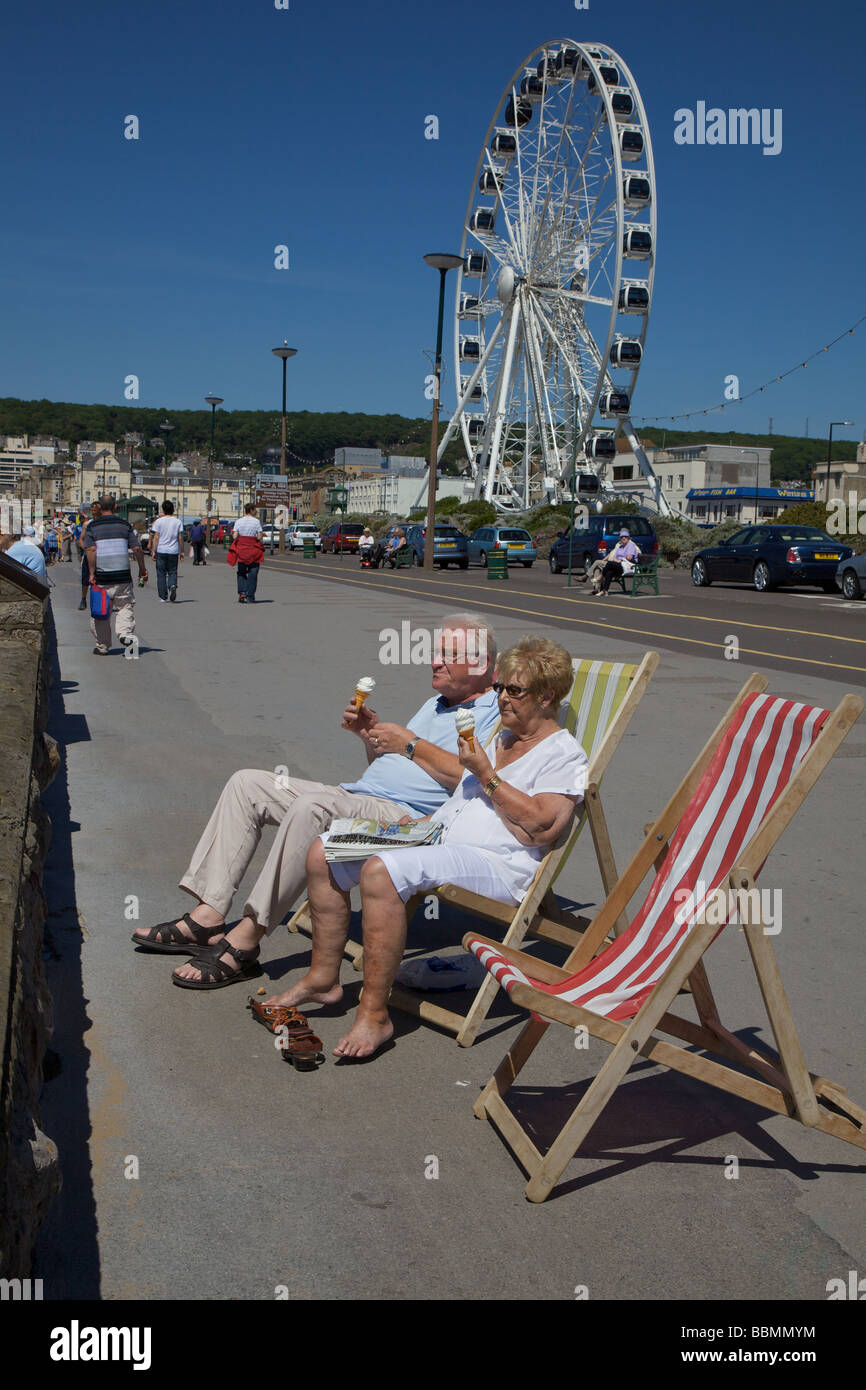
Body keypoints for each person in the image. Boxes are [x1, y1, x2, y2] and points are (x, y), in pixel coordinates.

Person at [132, 614, 500, 984]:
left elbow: (474, 779)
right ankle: (207, 917)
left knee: (311, 809)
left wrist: (408, 743)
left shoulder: (494, 715)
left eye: (447, 654)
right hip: (358, 795)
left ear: (481, 663)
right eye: (436, 652)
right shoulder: (436, 703)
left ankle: (247, 939)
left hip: (405, 819)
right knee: (247, 784)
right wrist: (369, 737)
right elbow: (396, 767)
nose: (434, 660)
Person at [268, 636, 587, 1058]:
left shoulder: (563, 754)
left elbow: (543, 828)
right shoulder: (501, 738)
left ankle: (375, 1015)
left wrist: (487, 775)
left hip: (498, 865)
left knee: (381, 871)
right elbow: (463, 800)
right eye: (499, 688)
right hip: (439, 836)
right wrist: (421, 824)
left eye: (515, 690)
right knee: (325, 851)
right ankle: (323, 979)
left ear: (547, 696)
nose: (502, 698)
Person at [85, 495, 148, 655]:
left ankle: (103, 646)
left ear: (99, 507)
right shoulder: (124, 524)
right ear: (115, 507)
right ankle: (125, 634)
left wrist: (91, 573)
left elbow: (91, 551)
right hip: (123, 576)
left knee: (101, 611)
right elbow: (137, 549)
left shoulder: (93, 526)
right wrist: (142, 569)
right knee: (125, 606)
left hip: (102, 576)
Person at [150, 500, 185, 602]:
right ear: (173, 510)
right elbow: (180, 538)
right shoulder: (177, 521)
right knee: (172, 571)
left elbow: (156, 537)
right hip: (173, 551)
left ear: (163, 510)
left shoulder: (158, 521)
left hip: (161, 550)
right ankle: (172, 585)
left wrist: (153, 551)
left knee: (161, 573)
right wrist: (182, 551)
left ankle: (163, 596)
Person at [230, 504, 264, 603]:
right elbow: (259, 537)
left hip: (242, 550)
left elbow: (235, 536)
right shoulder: (256, 521)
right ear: (252, 510)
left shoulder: (239, 521)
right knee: (253, 572)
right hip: (253, 550)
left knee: (241, 572)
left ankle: (242, 592)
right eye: (255, 510)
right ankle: (250, 596)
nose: (256, 511)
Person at [598, 528, 641, 596]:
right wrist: (619, 560)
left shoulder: (631, 545)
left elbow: (630, 557)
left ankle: (600, 577)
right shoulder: (620, 547)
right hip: (620, 565)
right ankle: (605, 591)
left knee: (609, 564)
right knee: (609, 571)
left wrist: (620, 560)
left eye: (625, 537)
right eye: (622, 537)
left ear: (628, 538)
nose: (623, 538)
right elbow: (614, 558)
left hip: (629, 566)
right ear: (620, 539)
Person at [77, 504, 101, 609]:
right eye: (92, 510)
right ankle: (83, 599)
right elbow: (81, 539)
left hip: (100, 554)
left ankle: (103, 599)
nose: (94, 511)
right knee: (85, 578)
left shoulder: (102, 523)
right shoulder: (87, 524)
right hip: (89, 554)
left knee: (101, 578)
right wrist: (86, 549)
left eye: (96, 509)